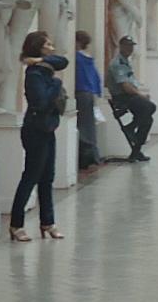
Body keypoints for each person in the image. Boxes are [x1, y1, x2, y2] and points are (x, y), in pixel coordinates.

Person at [8, 30, 68, 240]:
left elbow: (64, 61)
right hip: (35, 129)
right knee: (31, 176)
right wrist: (57, 85)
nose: (52, 48)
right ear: (39, 47)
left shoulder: (45, 67)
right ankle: (16, 224)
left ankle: (48, 222)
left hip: (48, 128)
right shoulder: (34, 75)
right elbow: (41, 102)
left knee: (47, 177)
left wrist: (42, 59)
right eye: (48, 45)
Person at [109, 36, 156, 161]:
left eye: (131, 46)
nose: (130, 48)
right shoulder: (117, 63)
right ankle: (130, 128)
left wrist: (139, 94)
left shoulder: (126, 61)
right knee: (150, 106)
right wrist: (141, 95)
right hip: (122, 97)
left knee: (148, 120)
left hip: (130, 95)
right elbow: (125, 86)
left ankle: (136, 151)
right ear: (121, 46)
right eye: (127, 45)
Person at [71, 30, 103, 170]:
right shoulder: (89, 58)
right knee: (89, 125)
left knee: (82, 126)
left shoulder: (76, 58)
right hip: (89, 93)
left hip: (80, 92)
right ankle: (92, 155)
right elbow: (96, 77)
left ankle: (86, 156)